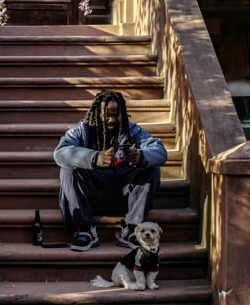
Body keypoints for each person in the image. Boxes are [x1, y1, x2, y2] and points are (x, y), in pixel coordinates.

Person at [53, 90, 167, 251]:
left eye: (116, 115)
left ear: (123, 114)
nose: (112, 120)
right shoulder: (81, 129)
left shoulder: (132, 130)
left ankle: (131, 229)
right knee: (67, 170)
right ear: (96, 113)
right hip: (91, 195)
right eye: (106, 115)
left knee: (152, 167)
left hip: (124, 196)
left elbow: (160, 151)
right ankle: (85, 230)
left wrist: (141, 156)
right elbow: (60, 152)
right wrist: (94, 158)